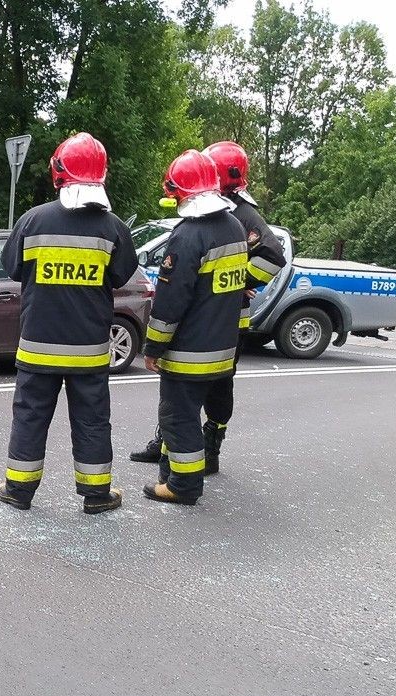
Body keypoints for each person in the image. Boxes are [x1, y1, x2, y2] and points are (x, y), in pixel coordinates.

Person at [0, 132, 138, 514]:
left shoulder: (32, 221)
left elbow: (11, 268)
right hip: (89, 351)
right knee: (92, 421)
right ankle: (96, 495)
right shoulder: (113, 229)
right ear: (101, 176)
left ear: (58, 172)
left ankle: (18, 490)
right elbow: (123, 275)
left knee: (30, 417)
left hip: (37, 347)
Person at [130, 141, 286, 473]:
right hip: (204, 318)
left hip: (227, 319)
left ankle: (208, 450)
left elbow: (273, 256)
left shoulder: (241, 213)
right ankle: (166, 445)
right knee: (176, 387)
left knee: (216, 388)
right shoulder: (217, 213)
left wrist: (240, 283)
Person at [140, 150, 247, 505]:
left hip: (189, 351)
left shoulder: (187, 236)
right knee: (187, 415)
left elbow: (171, 303)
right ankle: (173, 472)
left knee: (178, 417)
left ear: (182, 192)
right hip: (223, 348)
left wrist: (153, 347)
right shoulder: (232, 227)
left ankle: (182, 486)